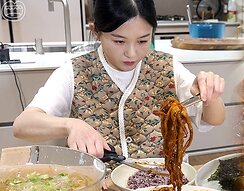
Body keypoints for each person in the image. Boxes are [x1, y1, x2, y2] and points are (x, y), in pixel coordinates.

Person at [13, 0, 225, 159]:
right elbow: (22, 125)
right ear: (97, 31)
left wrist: (211, 95)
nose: (131, 53)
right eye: (119, 41)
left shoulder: (166, 66)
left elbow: (213, 119)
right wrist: (70, 125)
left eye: (143, 40)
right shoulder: (75, 71)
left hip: (164, 187)